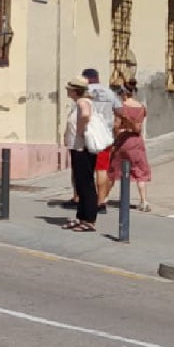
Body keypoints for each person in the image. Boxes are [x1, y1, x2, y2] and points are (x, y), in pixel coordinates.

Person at [108, 80, 152, 212]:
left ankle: (103, 198)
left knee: (113, 168)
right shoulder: (141, 107)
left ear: (123, 93)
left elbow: (116, 126)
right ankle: (143, 201)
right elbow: (139, 126)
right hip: (137, 141)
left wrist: (116, 134)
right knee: (140, 170)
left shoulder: (121, 107)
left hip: (123, 140)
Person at [83, 68, 121, 213]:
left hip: (88, 135)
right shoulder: (109, 92)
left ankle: (83, 199)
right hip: (105, 136)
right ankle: (101, 202)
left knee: (85, 170)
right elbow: (120, 110)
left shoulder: (84, 93)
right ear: (97, 77)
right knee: (102, 169)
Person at [62, 77, 98, 232]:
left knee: (86, 183)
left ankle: (89, 219)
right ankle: (81, 216)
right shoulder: (80, 102)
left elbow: (85, 116)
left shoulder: (83, 102)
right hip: (78, 148)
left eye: (69, 88)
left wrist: (81, 132)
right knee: (80, 183)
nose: (67, 91)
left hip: (82, 148)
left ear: (75, 90)